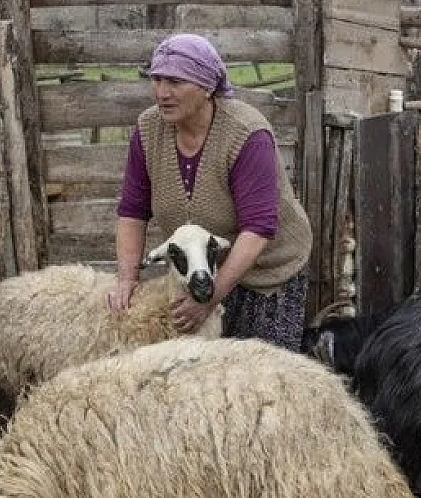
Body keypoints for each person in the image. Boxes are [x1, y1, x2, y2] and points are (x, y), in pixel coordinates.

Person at [107, 33, 312, 354]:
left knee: (257, 377)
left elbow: (258, 228)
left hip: (265, 274)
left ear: (206, 86)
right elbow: (133, 210)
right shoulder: (148, 130)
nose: (162, 93)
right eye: (156, 80)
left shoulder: (246, 134)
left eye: (175, 81)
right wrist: (127, 279)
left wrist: (211, 299)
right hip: (198, 272)